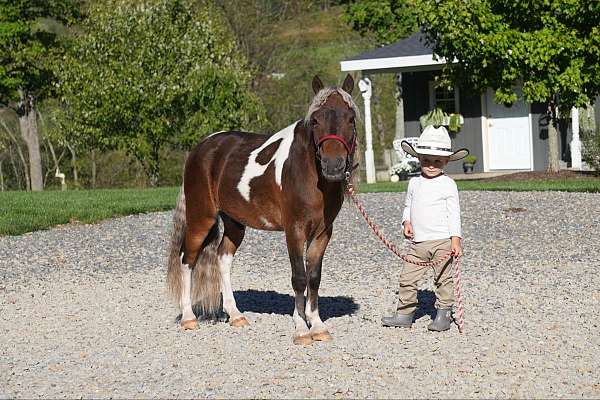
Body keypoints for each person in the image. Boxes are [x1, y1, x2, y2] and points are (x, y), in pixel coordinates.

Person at [382, 125, 469, 332]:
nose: (431, 165)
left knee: (443, 279)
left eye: (437, 161)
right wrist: (407, 222)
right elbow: (408, 206)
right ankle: (404, 313)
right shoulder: (414, 183)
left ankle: (443, 314)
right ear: (418, 158)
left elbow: (453, 213)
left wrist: (455, 240)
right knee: (407, 278)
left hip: (442, 242)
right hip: (418, 244)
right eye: (426, 160)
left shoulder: (448, 184)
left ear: (446, 161)